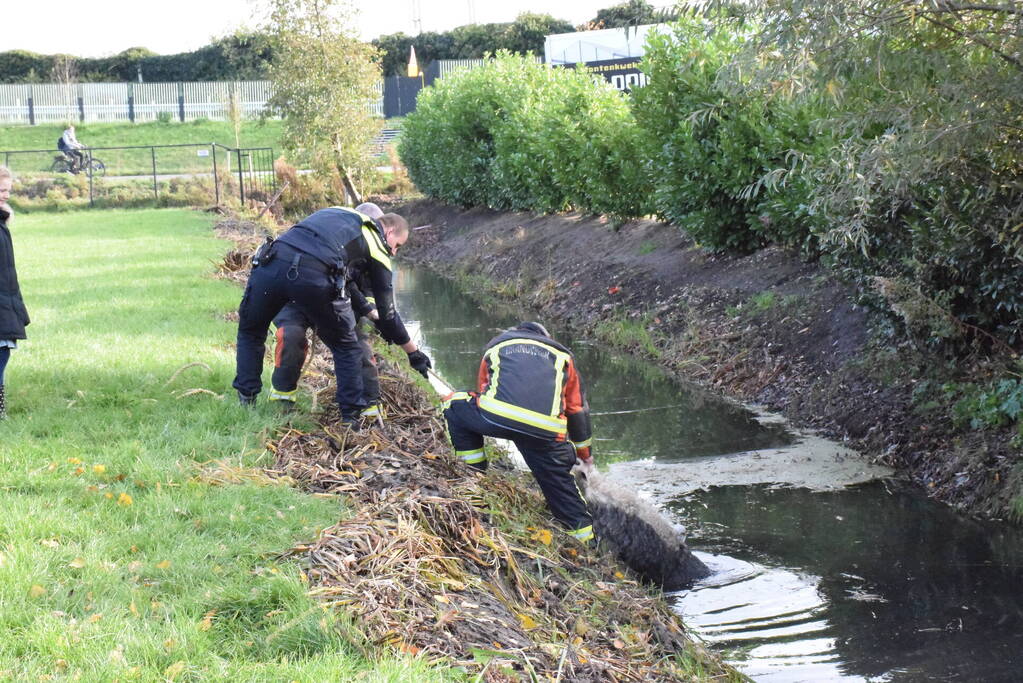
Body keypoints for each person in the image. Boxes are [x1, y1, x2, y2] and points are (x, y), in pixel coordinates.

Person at [232, 206, 431, 426]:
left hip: (272, 263)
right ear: (390, 231)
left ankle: (245, 401)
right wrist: (413, 353)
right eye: (397, 246)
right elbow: (389, 313)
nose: (394, 252)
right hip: (312, 278)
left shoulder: (335, 213)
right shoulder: (375, 242)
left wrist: (367, 310)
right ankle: (351, 418)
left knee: (251, 332)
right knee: (346, 347)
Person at [442, 322, 595, 544]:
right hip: (547, 432)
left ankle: (472, 472)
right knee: (560, 486)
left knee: (454, 403)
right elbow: (577, 409)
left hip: (496, 417)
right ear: (546, 337)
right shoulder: (563, 356)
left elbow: (484, 390)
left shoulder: (496, 347)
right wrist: (584, 453)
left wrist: (508, 423)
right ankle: (586, 543)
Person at [269, 202, 393, 419]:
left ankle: (368, 406)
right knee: (290, 336)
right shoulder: (323, 238)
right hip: (297, 297)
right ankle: (283, 399)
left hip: (339, 304)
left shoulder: (373, 252)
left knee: (357, 347)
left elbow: (372, 292)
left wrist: (378, 319)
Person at [0, 166, 30, 419]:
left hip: (5, 300)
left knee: (2, 354)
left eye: (8, 190)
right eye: (1, 190)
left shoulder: (1, 223)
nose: (6, 195)